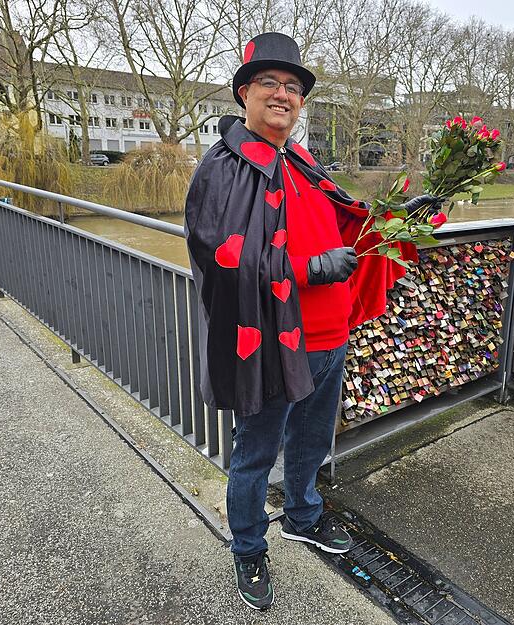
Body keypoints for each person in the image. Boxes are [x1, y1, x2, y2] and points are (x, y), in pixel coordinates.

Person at [184, 32, 440, 611]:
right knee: (254, 453)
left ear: (301, 103)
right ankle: (249, 548)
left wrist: (398, 223)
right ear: (245, 93)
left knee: (312, 439)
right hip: (272, 343)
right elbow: (220, 259)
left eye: (293, 87)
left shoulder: (301, 161)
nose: (283, 94)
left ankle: (303, 515)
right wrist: (306, 268)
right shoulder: (222, 168)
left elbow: (344, 227)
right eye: (270, 83)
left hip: (330, 334)